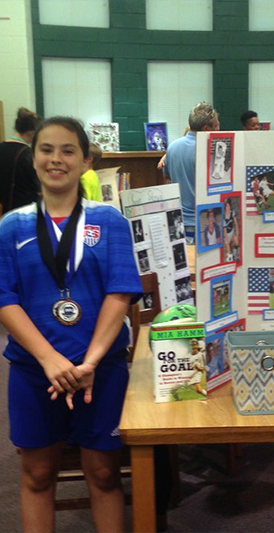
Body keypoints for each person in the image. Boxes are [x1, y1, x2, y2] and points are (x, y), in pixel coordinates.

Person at [0, 116, 143, 532]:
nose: (56, 159)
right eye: (46, 150)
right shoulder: (11, 227)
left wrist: (90, 362)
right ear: (33, 159)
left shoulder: (110, 221)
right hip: (34, 371)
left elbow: (120, 293)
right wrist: (49, 360)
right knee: (38, 475)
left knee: (104, 474)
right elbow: (5, 299)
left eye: (68, 151)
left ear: (86, 162)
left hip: (101, 370)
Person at [164, 102, 219, 243]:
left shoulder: (172, 147)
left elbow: (167, 176)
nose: (218, 130)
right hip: (203, 222)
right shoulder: (211, 151)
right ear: (206, 128)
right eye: (216, 126)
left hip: (178, 221)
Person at [0, 107, 42, 215]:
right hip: (26, 210)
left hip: (5, 209)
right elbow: (38, 187)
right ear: (31, 133)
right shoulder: (28, 154)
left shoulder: (1, 147)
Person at [223, 197, 240, 262]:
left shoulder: (232, 212)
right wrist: (226, 238)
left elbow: (236, 223)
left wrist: (237, 233)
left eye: (229, 205)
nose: (228, 207)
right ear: (225, 207)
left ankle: (235, 255)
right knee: (228, 247)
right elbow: (224, 229)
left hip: (232, 232)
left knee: (236, 241)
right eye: (227, 206)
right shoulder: (223, 215)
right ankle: (229, 257)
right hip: (226, 233)